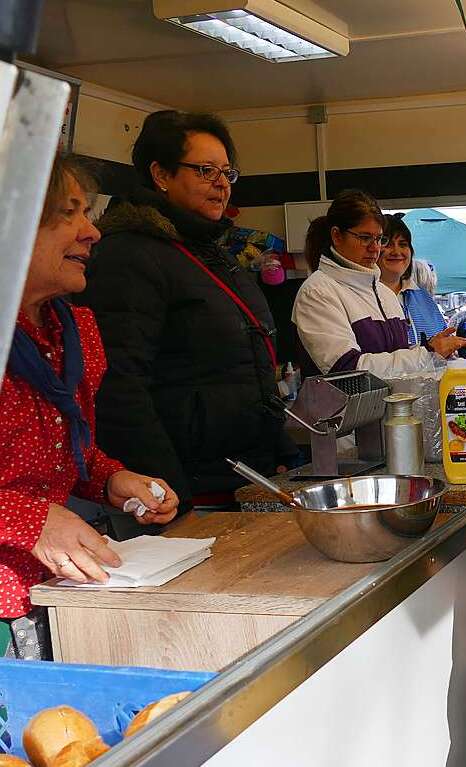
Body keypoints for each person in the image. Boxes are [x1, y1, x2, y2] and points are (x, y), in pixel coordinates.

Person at [2, 155, 179, 658]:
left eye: (89, 212)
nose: (92, 232)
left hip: (54, 595)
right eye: (68, 212)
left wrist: (109, 480)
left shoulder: (73, 332)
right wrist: (30, 520)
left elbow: (56, 455)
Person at [78, 110, 296, 511]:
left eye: (226, 173)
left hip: (243, 475)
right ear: (161, 175)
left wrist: (277, 445)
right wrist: (169, 489)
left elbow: (246, 365)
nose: (220, 185)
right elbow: (119, 386)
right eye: (205, 170)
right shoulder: (129, 254)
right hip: (187, 489)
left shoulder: (210, 249)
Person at [292, 190, 466, 378]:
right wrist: (426, 356)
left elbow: (395, 357)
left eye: (378, 239)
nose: (375, 247)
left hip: (390, 406)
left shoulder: (384, 293)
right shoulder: (317, 292)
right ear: (337, 236)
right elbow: (347, 370)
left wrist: (430, 349)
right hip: (340, 408)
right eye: (365, 238)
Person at [377, 213, 446, 345]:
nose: (397, 252)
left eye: (403, 244)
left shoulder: (423, 297)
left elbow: (443, 340)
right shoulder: (364, 297)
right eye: (388, 244)